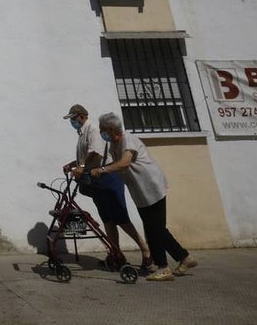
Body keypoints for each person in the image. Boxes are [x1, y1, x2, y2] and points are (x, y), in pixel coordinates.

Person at [77, 112, 197, 282]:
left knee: (153, 230)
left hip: (152, 188)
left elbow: (125, 162)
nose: (102, 133)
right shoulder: (114, 145)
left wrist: (103, 170)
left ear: (111, 129)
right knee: (157, 228)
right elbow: (115, 164)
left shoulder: (128, 140)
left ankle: (163, 268)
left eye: (104, 130)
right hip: (141, 192)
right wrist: (98, 170)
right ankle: (185, 258)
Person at [61, 104, 151, 269]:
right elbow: (85, 157)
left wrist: (80, 167)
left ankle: (146, 251)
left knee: (120, 218)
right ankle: (116, 254)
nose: (72, 122)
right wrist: (72, 164)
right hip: (96, 179)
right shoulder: (82, 134)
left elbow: (95, 153)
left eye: (73, 118)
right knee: (107, 219)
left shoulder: (93, 129)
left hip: (108, 177)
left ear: (81, 116)